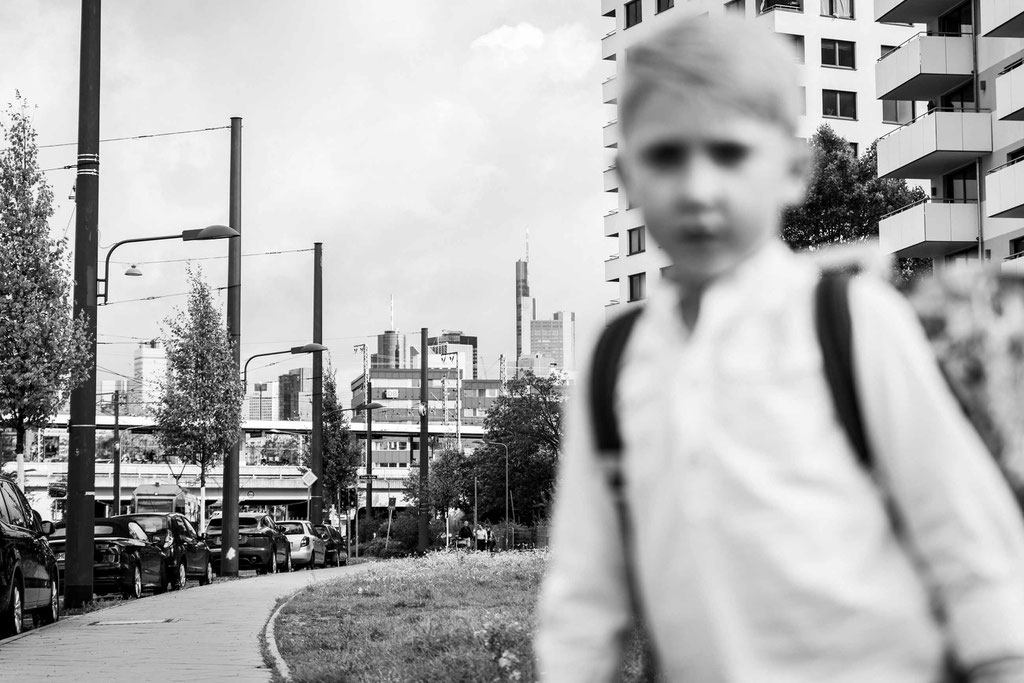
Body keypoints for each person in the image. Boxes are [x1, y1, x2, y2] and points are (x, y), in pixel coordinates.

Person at [535, 13, 1024, 683]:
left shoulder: (850, 320)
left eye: (731, 153)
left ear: (792, 170)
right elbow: (583, 593)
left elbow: (967, 540)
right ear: (627, 174)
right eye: (666, 156)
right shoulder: (613, 357)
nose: (699, 188)